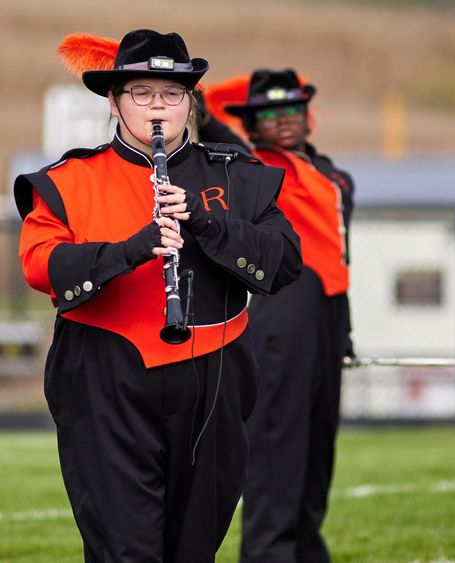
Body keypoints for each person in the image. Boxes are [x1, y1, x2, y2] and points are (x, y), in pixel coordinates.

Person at [14, 29, 302, 562]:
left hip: (214, 377)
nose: (157, 107)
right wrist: (129, 250)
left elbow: (285, 259)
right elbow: (39, 264)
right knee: (124, 550)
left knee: (194, 549)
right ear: (115, 101)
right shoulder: (71, 179)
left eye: (171, 93)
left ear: (190, 101)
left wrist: (207, 224)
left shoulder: (236, 177)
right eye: (141, 93)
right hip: (104, 376)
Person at [224, 69, 355, 563]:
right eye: (267, 114)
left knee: (318, 445)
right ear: (251, 126)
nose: (282, 121)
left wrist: (345, 329)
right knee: (277, 444)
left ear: (308, 117)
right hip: (281, 308)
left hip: (328, 312)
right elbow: (201, 110)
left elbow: (340, 252)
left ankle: (305, 547)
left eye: (291, 110)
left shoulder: (331, 173)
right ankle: (268, 552)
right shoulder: (248, 166)